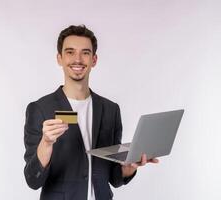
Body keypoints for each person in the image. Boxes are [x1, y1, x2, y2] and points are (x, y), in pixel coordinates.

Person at [23, 25, 159, 200]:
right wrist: (46, 143)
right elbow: (32, 180)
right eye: (70, 52)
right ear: (60, 58)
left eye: (85, 52)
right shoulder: (40, 109)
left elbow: (114, 177)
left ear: (94, 60)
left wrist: (130, 166)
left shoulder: (111, 110)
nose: (77, 59)